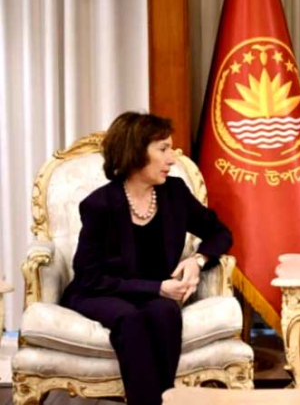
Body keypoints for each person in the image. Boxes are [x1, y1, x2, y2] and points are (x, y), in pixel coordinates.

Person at [60, 111, 232, 405]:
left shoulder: (175, 193)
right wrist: (157, 288)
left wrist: (198, 260)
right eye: (163, 149)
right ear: (136, 151)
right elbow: (89, 276)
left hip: (154, 293)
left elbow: (220, 232)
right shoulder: (99, 204)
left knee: (165, 313)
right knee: (130, 320)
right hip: (100, 291)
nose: (172, 159)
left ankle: (164, 401)